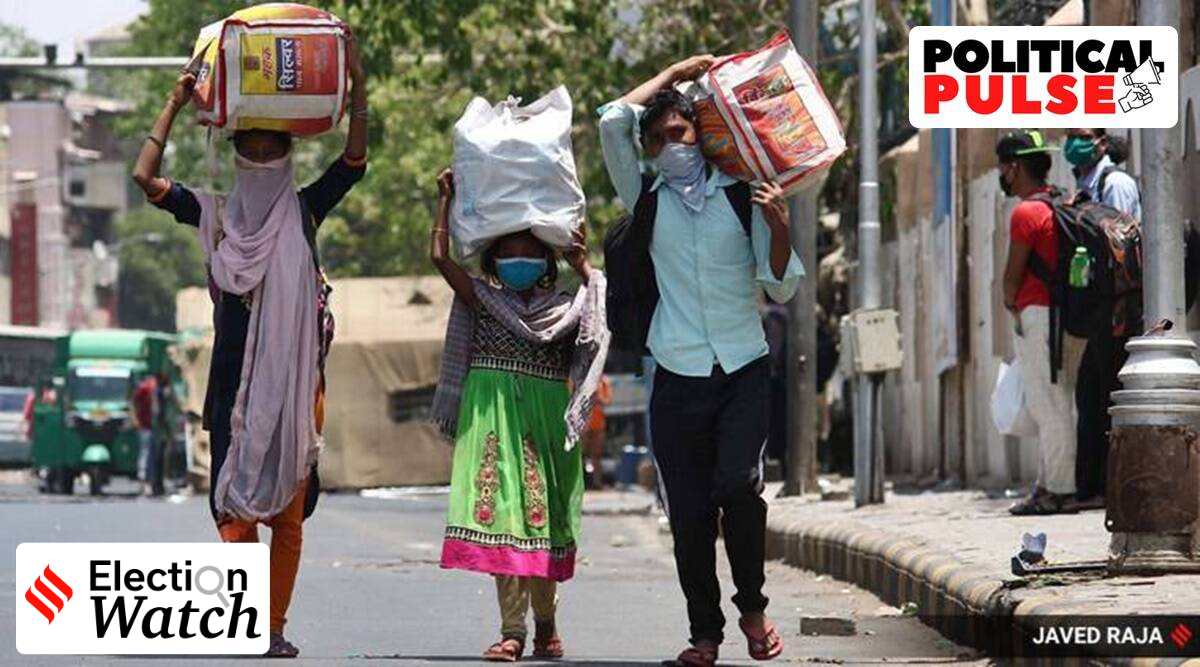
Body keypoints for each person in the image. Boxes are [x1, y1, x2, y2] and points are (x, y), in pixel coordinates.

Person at [130, 33, 369, 658]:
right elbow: (143, 176)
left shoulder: (305, 212)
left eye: (273, 149)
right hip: (230, 388)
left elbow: (353, 163)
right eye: (250, 149)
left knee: (288, 519)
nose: (261, 159)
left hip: (296, 391)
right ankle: (247, 619)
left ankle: (275, 628)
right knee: (233, 511)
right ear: (235, 155)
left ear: (289, 153)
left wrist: (357, 88)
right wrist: (176, 101)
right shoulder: (212, 214)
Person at [599, 55, 803, 666]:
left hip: (741, 367)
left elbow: (782, 286)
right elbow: (613, 119)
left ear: (703, 134)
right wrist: (675, 72)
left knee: (739, 488)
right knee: (687, 513)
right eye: (657, 139)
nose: (669, 146)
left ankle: (753, 608)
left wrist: (780, 225)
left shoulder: (744, 198)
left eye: (679, 133)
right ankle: (704, 635)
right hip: (675, 374)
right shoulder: (647, 200)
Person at [430, 168, 609, 663]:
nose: (519, 259)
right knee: (503, 521)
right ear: (493, 258)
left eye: (530, 251)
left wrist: (584, 261)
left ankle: (547, 620)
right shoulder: (484, 300)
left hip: (545, 422)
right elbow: (440, 258)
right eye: (508, 252)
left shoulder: (568, 307)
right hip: (491, 419)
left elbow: (599, 320)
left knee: (542, 523)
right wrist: (444, 200)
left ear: (547, 261)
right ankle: (512, 631)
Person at [997, 130, 1087, 516]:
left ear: (1015, 167)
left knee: (1048, 405)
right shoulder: (1061, 201)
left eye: (1003, 167)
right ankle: (1049, 485)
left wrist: (1008, 299)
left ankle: (1059, 491)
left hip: (1038, 315)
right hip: (1068, 315)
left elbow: (1013, 274)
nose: (1002, 175)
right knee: (1058, 401)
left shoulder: (1026, 213)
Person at [1062, 128, 1142, 510]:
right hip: (1100, 307)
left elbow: (1125, 244)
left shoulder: (1116, 183)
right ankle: (1094, 488)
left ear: (1102, 142)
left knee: (1107, 394)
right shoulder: (1084, 185)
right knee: (1090, 394)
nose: (1071, 143)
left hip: (1120, 308)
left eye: (1079, 135)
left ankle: (1111, 488)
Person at [131, 374, 160, 497]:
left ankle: (149, 483)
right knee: (145, 454)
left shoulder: (149, 389)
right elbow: (133, 404)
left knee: (151, 455)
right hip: (145, 427)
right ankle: (143, 482)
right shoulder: (144, 389)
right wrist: (135, 420)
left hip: (151, 427)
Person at [584, 374, 613, 489]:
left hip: (598, 424)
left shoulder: (604, 380)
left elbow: (608, 400)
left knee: (597, 455)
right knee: (581, 454)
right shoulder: (582, 378)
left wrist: (598, 398)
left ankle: (597, 483)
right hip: (583, 424)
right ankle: (583, 482)